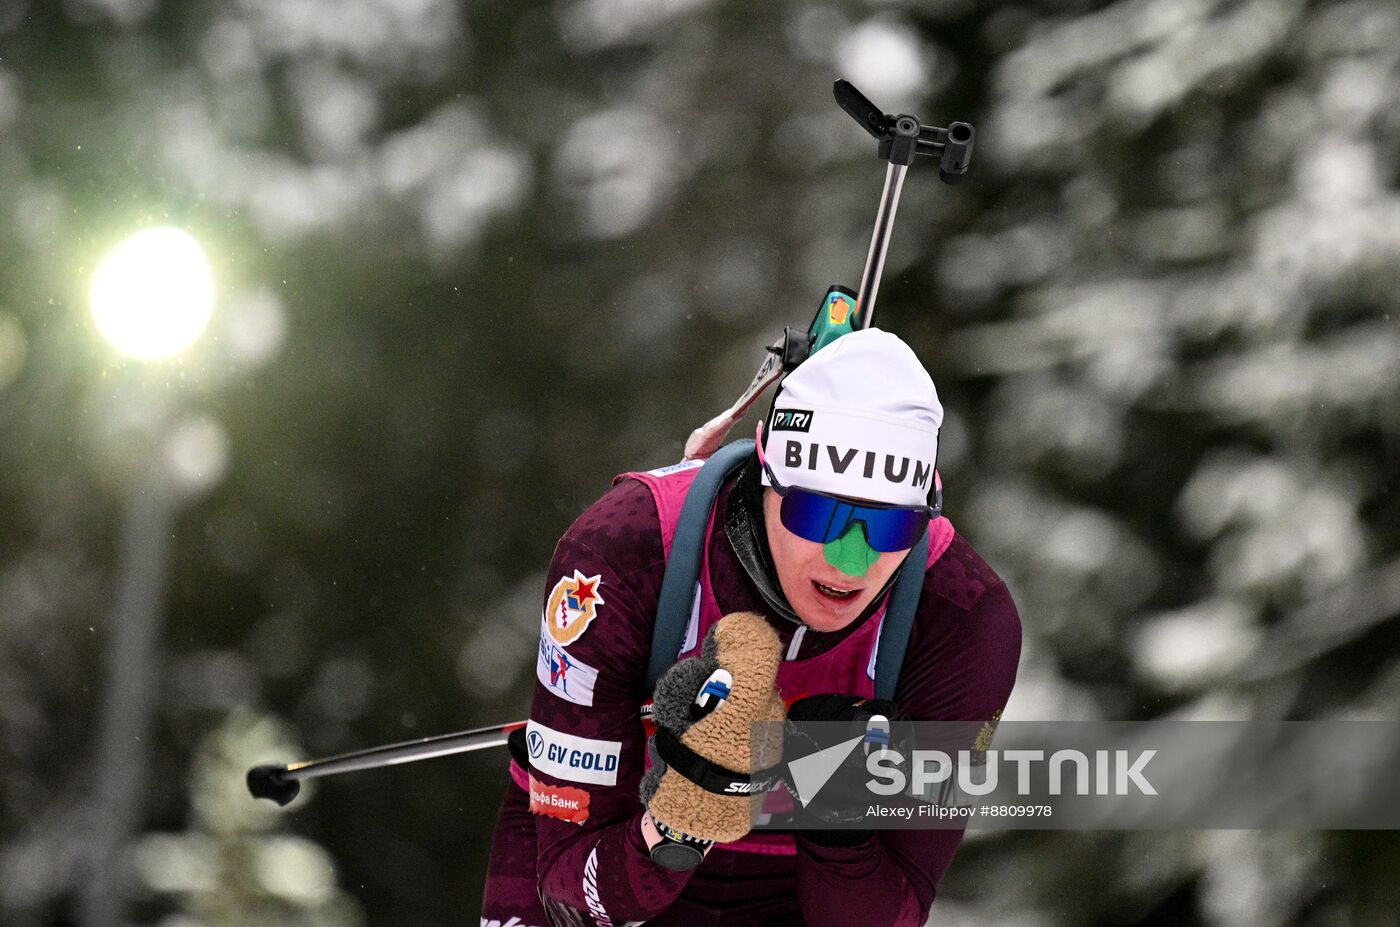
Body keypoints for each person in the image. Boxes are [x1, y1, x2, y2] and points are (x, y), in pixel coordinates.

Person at [480, 328, 1022, 927]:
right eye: (820, 514)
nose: (852, 561)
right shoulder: (624, 550)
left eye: (891, 526)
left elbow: (890, 913)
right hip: (619, 851)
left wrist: (836, 809)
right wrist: (682, 815)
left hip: (799, 889)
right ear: (766, 475)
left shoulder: (965, 615)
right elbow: (567, 877)